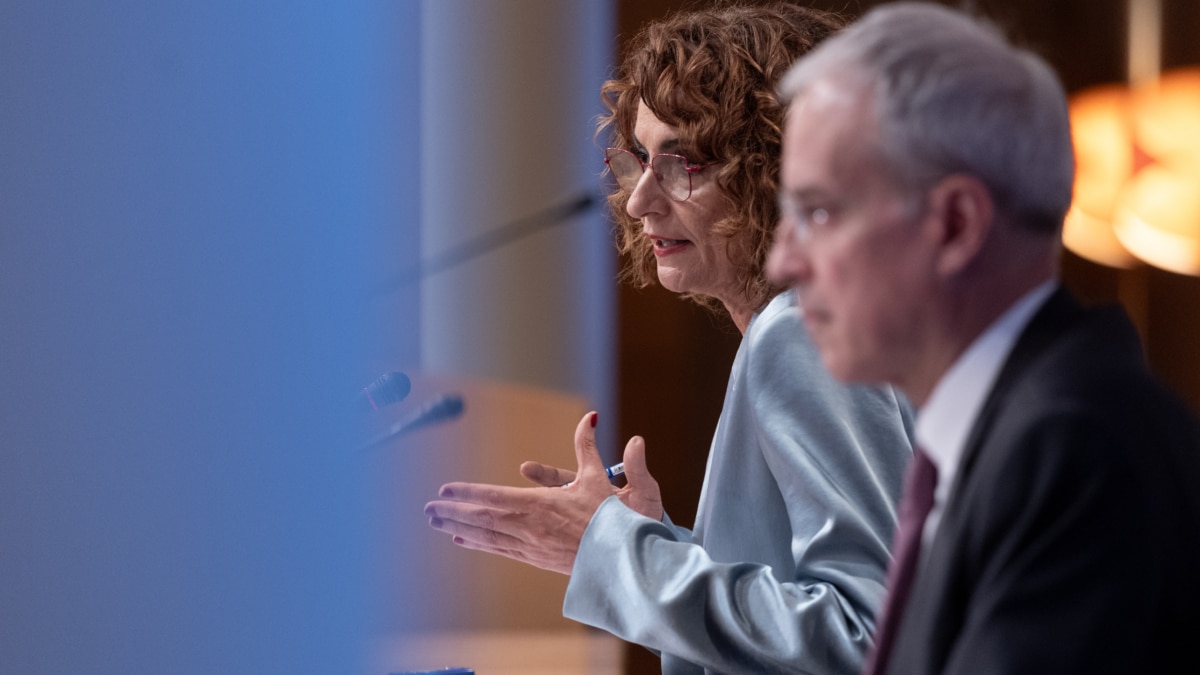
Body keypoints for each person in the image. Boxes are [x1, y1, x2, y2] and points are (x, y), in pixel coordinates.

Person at [423, 4, 915, 673]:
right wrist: (652, 546)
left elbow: (868, 640)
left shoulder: (802, 330)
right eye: (638, 160)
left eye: (684, 163)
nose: (638, 201)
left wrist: (616, 552)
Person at [767, 3, 1200, 674]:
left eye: (819, 212)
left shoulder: (1072, 447)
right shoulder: (1015, 432)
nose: (783, 262)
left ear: (955, 225)